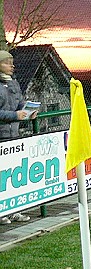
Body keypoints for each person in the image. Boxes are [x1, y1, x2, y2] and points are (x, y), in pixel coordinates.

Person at [0, 50, 34, 224]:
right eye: (7, 62)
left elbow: (20, 103)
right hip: (1, 137)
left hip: (14, 136)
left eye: (12, 62)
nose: (11, 66)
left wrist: (29, 111)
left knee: (13, 175)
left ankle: (14, 210)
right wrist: (15, 116)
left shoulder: (13, 83)